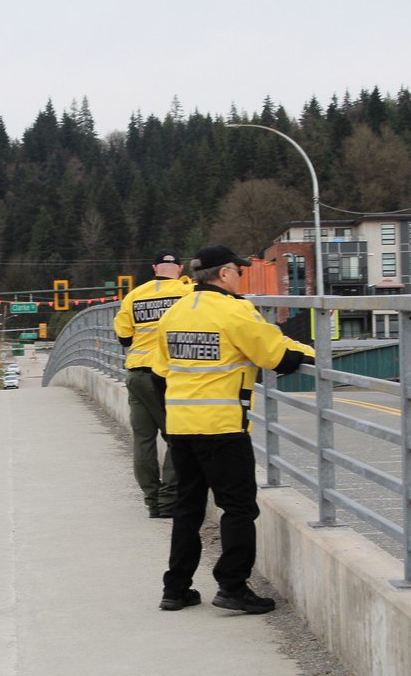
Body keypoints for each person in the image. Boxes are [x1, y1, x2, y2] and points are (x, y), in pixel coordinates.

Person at [152, 245, 314, 614]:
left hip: (181, 425)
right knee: (238, 508)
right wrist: (310, 353)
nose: (240, 277)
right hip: (222, 426)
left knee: (187, 508)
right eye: (238, 271)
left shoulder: (174, 311)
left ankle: (175, 588)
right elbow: (277, 357)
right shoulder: (236, 311)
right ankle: (233, 586)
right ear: (225, 273)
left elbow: (160, 371)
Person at [113, 249, 193, 518]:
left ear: (154, 268)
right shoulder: (187, 293)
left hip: (136, 374)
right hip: (166, 375)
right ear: (180, 269)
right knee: (176, 437)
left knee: (143, 441)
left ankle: (152, 501)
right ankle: (168, 500)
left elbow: (124, 338)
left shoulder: (134, 296)